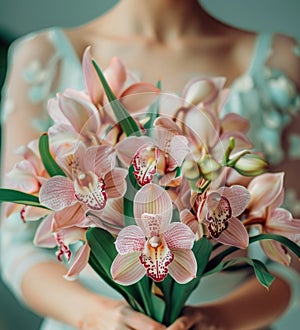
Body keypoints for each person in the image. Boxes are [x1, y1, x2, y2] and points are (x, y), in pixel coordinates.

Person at [1, 0, 299, 329]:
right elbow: (14, 243)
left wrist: (219, 319)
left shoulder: (283, 59)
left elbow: (293, 257)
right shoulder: (43, 54)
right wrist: (92, 315)